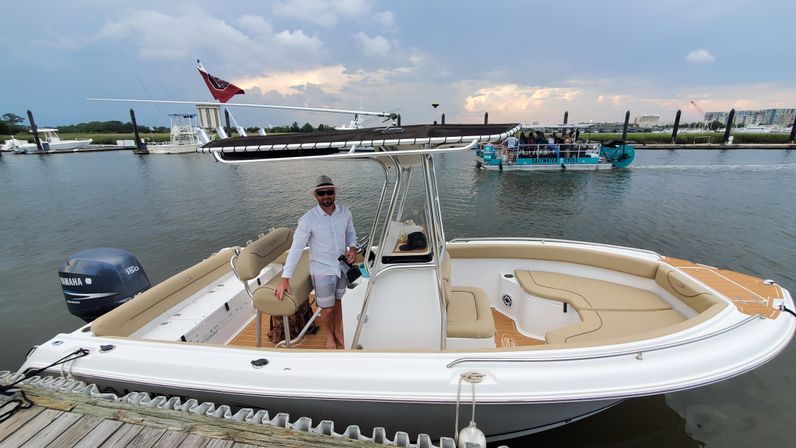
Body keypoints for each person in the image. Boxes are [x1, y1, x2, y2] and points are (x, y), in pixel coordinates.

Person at [275, 175, 357, 349]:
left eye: (329, 192)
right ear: (316, 196)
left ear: (334, 193)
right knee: (327, 309)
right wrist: (285, 278)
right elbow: (297, 249)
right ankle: (329, 335)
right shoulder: (307, 220)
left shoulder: (345, 212)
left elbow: (350, 233)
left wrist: (353, 248)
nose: (326, 196)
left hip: (341, 266)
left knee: (339, 302)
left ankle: (337, 331)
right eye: (321, 193)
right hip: (321, 269)